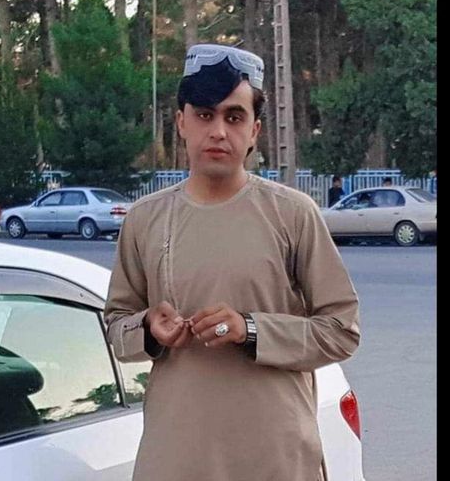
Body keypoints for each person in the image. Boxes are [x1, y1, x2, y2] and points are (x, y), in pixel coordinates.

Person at [104, 44, 360, 481]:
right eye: (205, 115)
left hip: (275, 459)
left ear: (255, 130)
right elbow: (116, 327)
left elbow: (341, 330)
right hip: (176, 459)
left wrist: (250, 329)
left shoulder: (292, 214)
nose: (219, 131)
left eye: (234, 117)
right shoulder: (145, 220)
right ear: (181, 122)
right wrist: (148, 328)